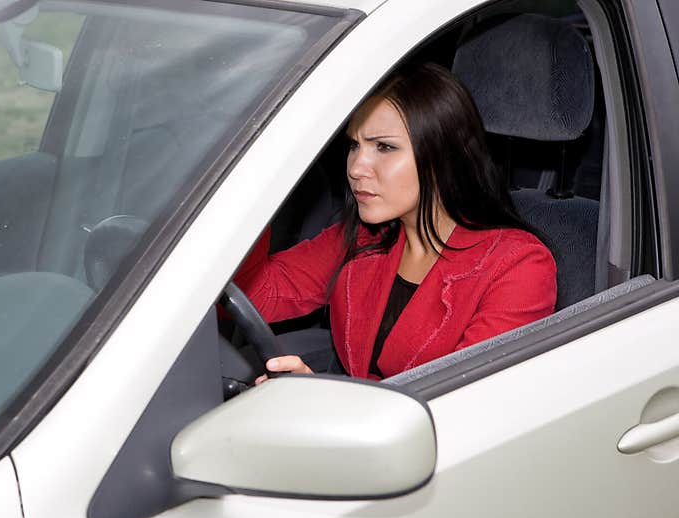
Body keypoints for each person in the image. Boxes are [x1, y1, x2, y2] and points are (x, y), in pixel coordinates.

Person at [234, 62, 557, 383]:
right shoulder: (364, 236)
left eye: (384, 147)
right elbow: (259, 296)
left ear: (443, 156)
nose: (357, 167)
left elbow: (465, 404)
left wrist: (323, 401)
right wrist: (249, 187)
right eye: (354, 145)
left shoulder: (520, 266)